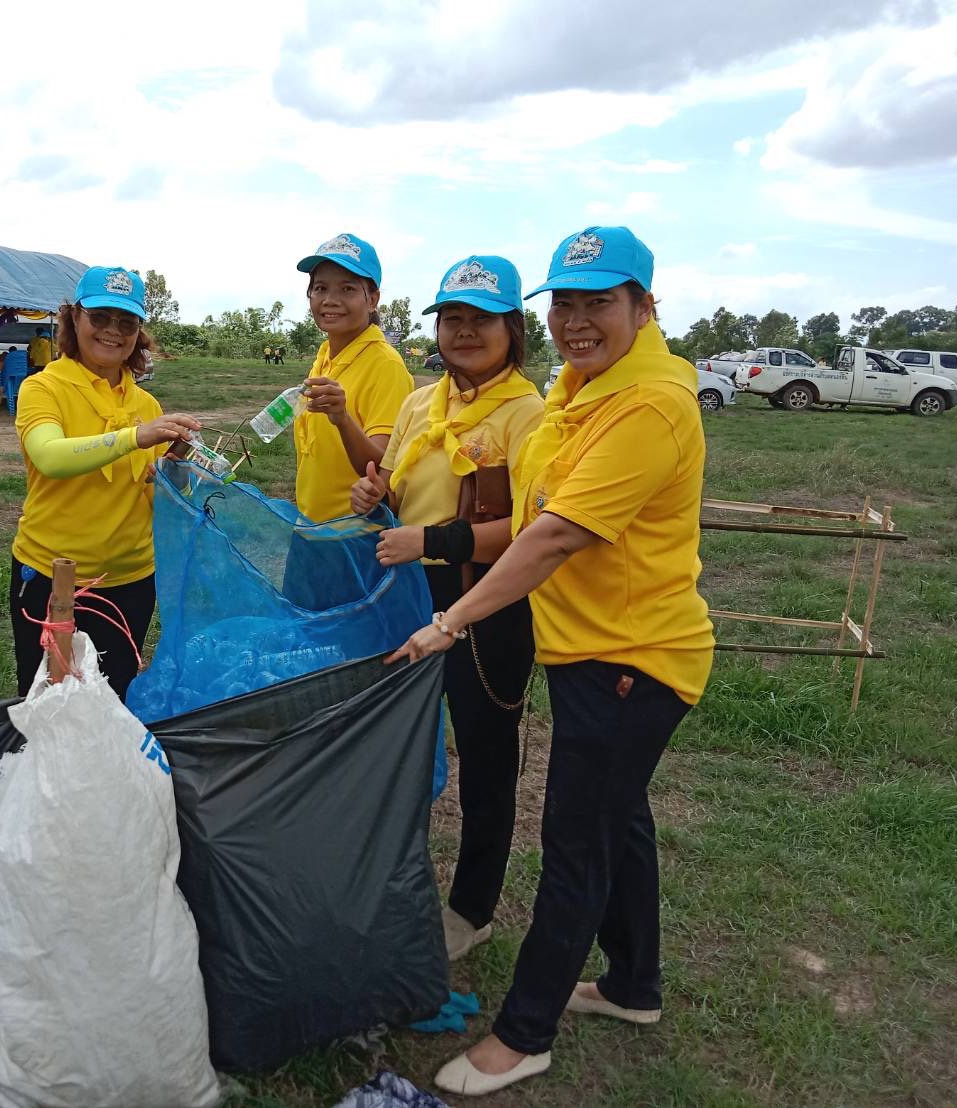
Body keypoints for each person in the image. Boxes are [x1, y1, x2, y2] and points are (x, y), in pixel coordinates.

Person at [387, 227, 714, 1098]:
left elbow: (555, 534)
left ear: (643, 306)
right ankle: (632, 984)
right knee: (619, 821)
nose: (576, 320)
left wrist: (449, 620)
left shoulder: (646, 407)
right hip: (588, 648)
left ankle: (523, 1033)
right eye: (564, 302)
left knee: (577, 843)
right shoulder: (581, 391)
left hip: (629, 658)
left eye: (598, 302)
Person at [351, 255, 544, 962]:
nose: (463, 332)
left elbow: (530, 531)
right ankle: (390, 878)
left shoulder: (530, 415)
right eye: (451, 319)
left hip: (485, 599)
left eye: (479, 319)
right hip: (408, 594)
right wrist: (375, 499)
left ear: (511, 329)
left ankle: (471, 907)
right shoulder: (419, 405)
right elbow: (399, 493)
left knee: (485, 757)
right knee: (397, 741)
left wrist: (427, 537)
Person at [9, 266, 199, 700]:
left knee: (113, 703)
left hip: (130, 581)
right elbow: (50, 456)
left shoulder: (145, 403)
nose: (113, 332)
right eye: (100, 318)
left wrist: (176, 471)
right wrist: (136, 437)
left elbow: (155, 496)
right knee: (47, 702)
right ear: (73, 319)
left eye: (127, 322)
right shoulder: (44, 388)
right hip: (52, 577)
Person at [293, 232, 413, 524]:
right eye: (320, 288)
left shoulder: (385, 366)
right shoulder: (326, 355)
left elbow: (380, 469)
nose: (330, 300)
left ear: (372, 299)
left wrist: (342, 418)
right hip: (310, 525)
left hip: (354, 536)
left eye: (347, 289)